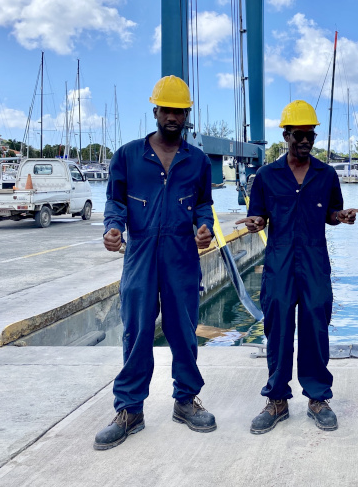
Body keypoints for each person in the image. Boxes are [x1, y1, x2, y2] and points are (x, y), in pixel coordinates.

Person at [95, 76, 216, 450]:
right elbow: (115, 202)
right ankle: (130, 409)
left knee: (183, 330)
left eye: (180, 112)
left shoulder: (197, 161)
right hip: (140, 254)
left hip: (182, 255)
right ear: (155, 111)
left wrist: (205, 226)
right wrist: (113, 229)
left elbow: (203, 204)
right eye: (167, 110)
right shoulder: (128, 156)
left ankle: (185, 401)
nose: (173, 118)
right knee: (136, 332)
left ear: (187, 116)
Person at [239, 100, 358, 435]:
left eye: (310, 135)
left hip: (315, 265)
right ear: (286, 135)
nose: (305, 141)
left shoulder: (327, 175)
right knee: (278, 332)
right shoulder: (266, 176)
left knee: (315, 329)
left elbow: (332, 215)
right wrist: (255, 222)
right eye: (299, 135)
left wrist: (342, 217)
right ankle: (277, 400)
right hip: (278, 266)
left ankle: (318, 398)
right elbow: (259, 216)